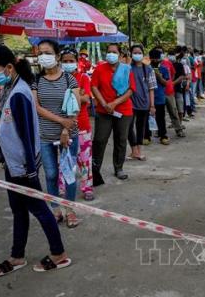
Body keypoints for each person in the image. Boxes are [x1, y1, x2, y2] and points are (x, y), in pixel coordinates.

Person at [0, 45, 71, 276]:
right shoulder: (9, 89)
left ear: (9, 68)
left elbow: (28, 135)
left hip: (23, 167)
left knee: (40, 210)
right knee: (18, 210)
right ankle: (17, 255)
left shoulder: (20, 93)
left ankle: (59, 254)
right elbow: (12, 124)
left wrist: (31, 171)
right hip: (12, 165)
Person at [32, 39, 81, 228]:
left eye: (47, 52)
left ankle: (70, 210)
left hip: (68, 135)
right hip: (45, 135)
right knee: (51, 174)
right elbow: (36, 107)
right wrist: (61, 121)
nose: (43, 56)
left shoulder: (70, 79)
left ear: (57, 56)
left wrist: (65, 129)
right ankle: (55, 209)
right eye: (40, 53)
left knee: (69, 174)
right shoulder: (36, 80)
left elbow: (74, 109)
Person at [91, 43, 135, 183]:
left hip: (123, 111)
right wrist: (104, 104)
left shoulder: (127, 69)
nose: (111, 54)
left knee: (121, 140)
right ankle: (95, 169)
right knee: (99, 140)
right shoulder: (99, 68)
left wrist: (114, 103)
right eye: (109, 51)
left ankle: (119, 168)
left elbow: (131, 90)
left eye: (114, 52)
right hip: (103, 111)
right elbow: (94, 87)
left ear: (120, 55)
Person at [60, 48, 94, 201]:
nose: (68, 64)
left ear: (77, 62)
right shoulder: (57, 79)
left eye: (71, 61)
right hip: (61, 127)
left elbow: (87, 98)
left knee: (84, 160)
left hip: (82, 125)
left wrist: (70, 97)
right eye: (65, 61)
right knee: (64, 159)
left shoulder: (84, 77)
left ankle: (87, 188)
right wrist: (77, 95)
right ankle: (62, 188)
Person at [127, 44, 156, 159]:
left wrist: (152, 105)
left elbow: (151, 88)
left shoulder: (148, 69)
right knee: (128, 127)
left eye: (139, 52)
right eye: (135, 52)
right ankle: (134, 150)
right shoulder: (127, 68)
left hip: (144, 104)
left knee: (141, 128)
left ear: (143, 54)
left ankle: (139, 151)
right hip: (130, 103)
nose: (137, 55)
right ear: (131, 54)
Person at [149, 48, 170, 145]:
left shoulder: (164, 69)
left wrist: (159, 76)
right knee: (147, 118)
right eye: (153, 59)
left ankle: (163, 136)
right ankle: (146, 136)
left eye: (157, 59)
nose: (155, 61)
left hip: (160, 97)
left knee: (160, 118)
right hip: (148, 98)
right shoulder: (147, 68)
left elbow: (166, 83)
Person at [163, 50, 186, 137]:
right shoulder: (163, 64)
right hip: (163, 91)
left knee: (176, 110)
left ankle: (179, 127)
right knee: (162, 112)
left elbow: (177, 75)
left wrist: (171, 83)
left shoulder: (177, 65)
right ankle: (161, 130)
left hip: (174, 90)